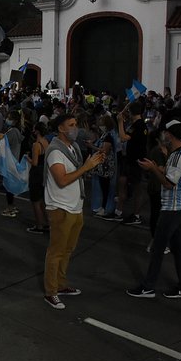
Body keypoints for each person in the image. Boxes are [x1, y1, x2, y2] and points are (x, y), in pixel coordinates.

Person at [43, 115, 105, 309]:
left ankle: (61, 284)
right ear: (61, 128)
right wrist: (87, 166)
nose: (75, 128)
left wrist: (91, 164)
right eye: (71, 125)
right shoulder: (54, 151)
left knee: (68, 250)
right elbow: (61, 180)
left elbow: (76, 173)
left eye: (76, 124)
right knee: (56, 252)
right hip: (60, 208)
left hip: (75, 206)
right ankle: (51, 291)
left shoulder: (73, 148)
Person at [127, 120, 181, 299]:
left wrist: (153, 170)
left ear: (170, 135)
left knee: (157, 248)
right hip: (179, 207)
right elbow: (170, 173)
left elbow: (169, 183)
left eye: (166, 133)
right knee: (179, 249)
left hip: (172, 209)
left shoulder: (179, 157)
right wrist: (157, 167)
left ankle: (148, 287)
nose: (164, 136)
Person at [108, 101, 147, 224]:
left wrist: (120, 122)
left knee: (137, 188)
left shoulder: (139, 125)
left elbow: (123, 137)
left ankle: (136, 215)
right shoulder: (135, 124)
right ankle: (118, 212)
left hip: (136, 161)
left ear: (131, 112)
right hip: (129, 159)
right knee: (122, 183)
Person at [26, 121, 49, 234]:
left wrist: (27, 158)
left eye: (34, 129)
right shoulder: (46, 142)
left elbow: (34, 162)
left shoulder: (36, 145)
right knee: (41, 200)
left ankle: (39, 225)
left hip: (36, 173)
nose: (33, 131)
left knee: (35, 201)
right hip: (44, 172)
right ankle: (47, 223)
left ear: (37, 131)